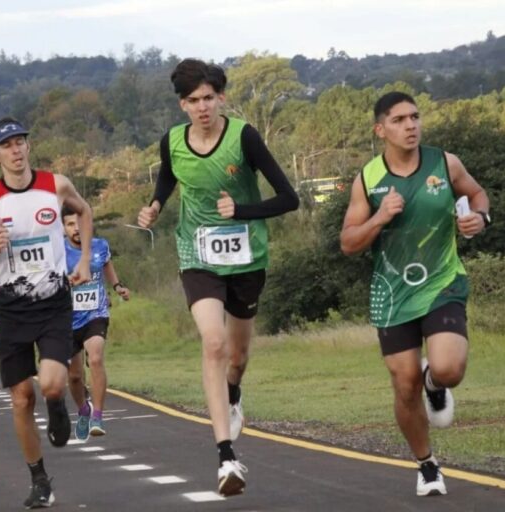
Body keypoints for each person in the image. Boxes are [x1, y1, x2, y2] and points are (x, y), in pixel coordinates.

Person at [137, 59, 299, 497]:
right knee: (214, 342)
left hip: (247, 256)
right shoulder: (172, 141)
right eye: (193, 101)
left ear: (221, 98)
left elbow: (289, 199)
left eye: (209, 98)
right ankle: (226, 455)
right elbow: (170, 177)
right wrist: (154, 206)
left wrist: (241, 211)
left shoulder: (243, 136)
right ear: (182, 105)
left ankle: (233, 391)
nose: (202, 107)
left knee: (238, 358)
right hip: (198, 252)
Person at [340, 91, 491, 497]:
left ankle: (435, 381)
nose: (411, 126)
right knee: (403, 385)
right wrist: (380, 216)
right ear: (380, 129)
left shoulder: (445, 162)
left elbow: (476, 195)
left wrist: (480, 217)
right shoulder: (368, 179)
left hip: (443, 282)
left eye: (415, 117)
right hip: (392, 294)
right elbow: (349, 243)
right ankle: (426, 465)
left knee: (449, 369)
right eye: (400, 120)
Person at [0, 116, 93, 509]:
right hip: (11, 306)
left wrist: (82, 259)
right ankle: (39, 479)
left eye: (20, 142)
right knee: (20, 399)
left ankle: (57, 407)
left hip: (53, 300)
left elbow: (83, 211)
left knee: (51, 384)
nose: (16, 151)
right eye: (7, 146)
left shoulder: (56, 184)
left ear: (28, 147)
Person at [62, 207, 131, 443]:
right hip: (66, 320)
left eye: (79, 223)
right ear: (63, 228)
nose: (76, 229)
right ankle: (83, 410)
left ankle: (98, 417)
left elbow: (107, 265)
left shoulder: (100, 245)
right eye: (70, 224)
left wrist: (118, 286)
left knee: (96, 359)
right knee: (74, 376)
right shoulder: (57, 251)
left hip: (95, 314)